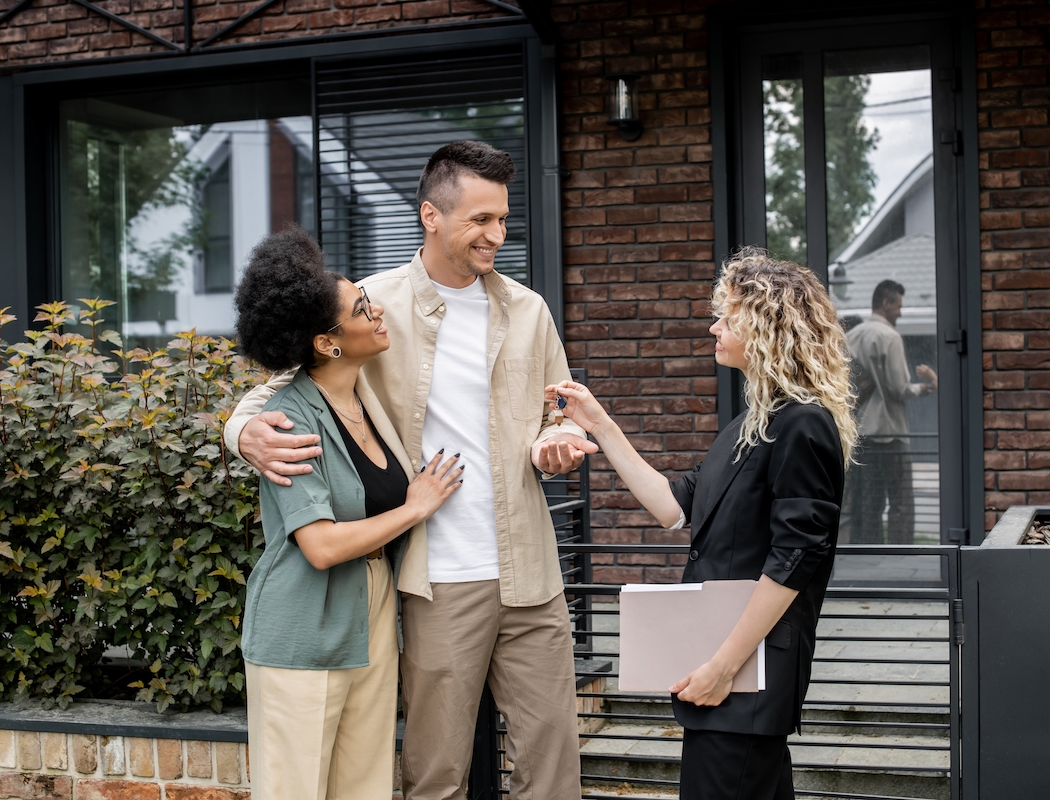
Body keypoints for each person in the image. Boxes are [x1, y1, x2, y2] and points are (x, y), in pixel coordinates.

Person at [224, 141, 593, 800]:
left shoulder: (529, 311)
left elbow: (558, 413)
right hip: (439, 580)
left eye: (503, 219)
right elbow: (273, 393)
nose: (496, 235)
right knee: (436, 774)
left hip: (531, 572)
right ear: (431, 215)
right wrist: (242, 434)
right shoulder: (372, 306)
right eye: (480, 220)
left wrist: (556, 441)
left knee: (552, 765)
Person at [547, 248, 856, 800]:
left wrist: (721, 666)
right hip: (725, 674)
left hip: (745, 675)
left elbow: (796, 559)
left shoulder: (802, 424)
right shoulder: (752, 422)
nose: (714, 327)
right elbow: (673, 507)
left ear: (765, 328)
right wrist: (598, 421)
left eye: (727, 317)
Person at [233, 227, 463, 800]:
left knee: (364, 788)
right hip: (303, 627)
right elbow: (322, 545)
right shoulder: (290, 422)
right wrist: (417, 507)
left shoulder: (367, 399)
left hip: (372, 614)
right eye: (362, 307)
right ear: (327, 343)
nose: (377, 308)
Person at [843, 279, 937, 544]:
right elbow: (899, 388)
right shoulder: (889, 336)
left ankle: (869, 550)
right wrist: (924, 387)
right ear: (886, 303)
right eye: (898, 306)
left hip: (862, 432)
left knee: (869, 501)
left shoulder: (853, 336)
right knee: (900, 501)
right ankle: (900, 552)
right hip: (890, 432)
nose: (900, 312)